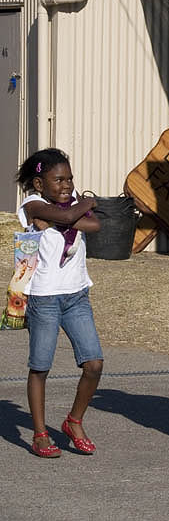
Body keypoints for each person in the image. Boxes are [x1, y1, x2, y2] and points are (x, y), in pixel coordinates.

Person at [15, 148, 103, 458]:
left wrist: (63, 219)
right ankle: (40, 434)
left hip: (77, 294)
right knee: (40, 367)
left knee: (94, 363)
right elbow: (73, 216)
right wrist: (86, 205)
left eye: (70, 179)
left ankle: (73, 422)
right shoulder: (31, 205)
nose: (67, 186)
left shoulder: (66, 202)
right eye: (59, 180)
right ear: (39, 183)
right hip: (45, 297)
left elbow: (94, 226)